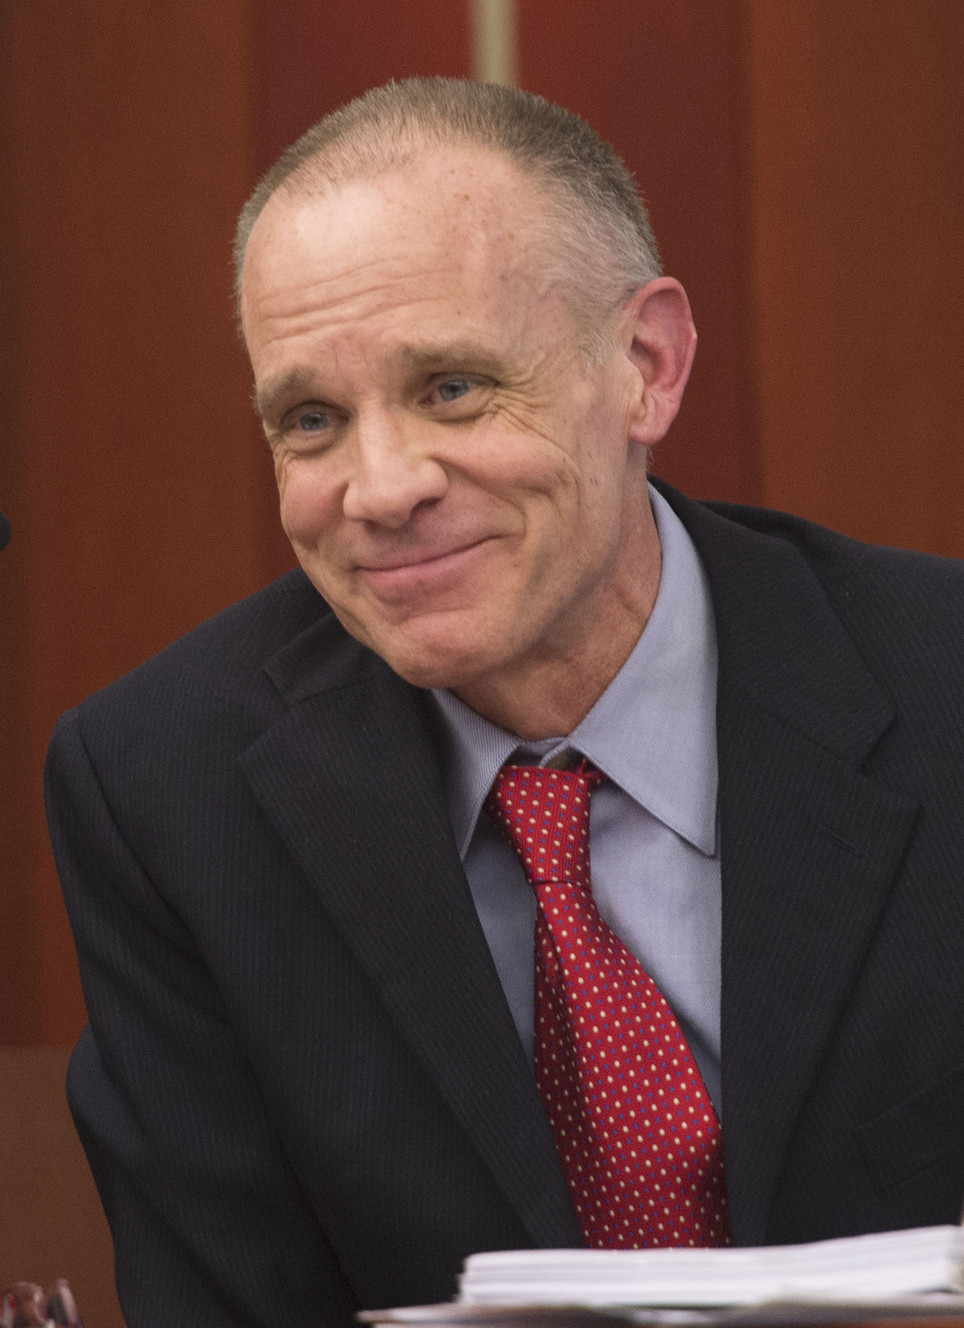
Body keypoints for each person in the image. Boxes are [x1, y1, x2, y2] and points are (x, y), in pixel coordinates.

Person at [45, 78, 964, 1328]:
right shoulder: (166, 786)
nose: (381, 487)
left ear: (645, 365)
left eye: (452, 388)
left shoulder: (938, 680)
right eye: (311, 419)